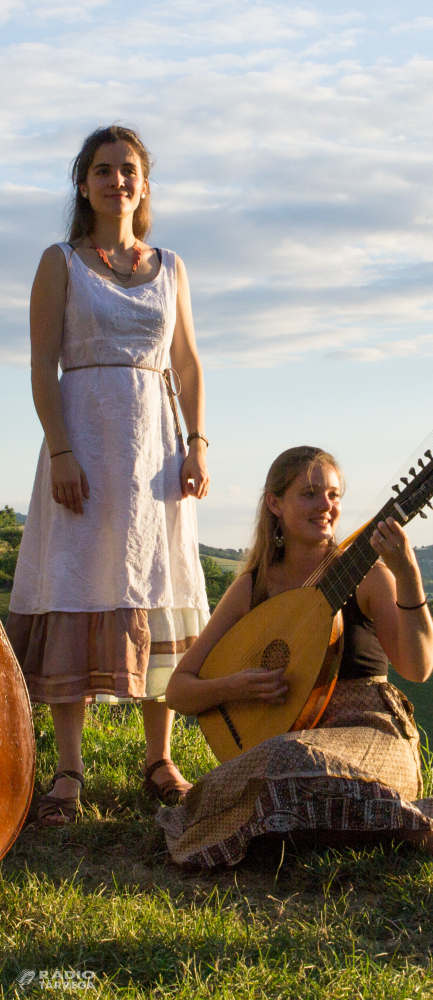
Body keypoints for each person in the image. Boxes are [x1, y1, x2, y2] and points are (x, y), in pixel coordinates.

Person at [157, 446, 433, 868]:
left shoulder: (368, 577)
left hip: (373, 735)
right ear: (275, 504)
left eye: (334, 495)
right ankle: (397, 821)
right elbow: (179, 691)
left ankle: (429, 833)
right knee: (270, 769)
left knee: (283, 768)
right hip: (283, 743)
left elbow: (418, 667)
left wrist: (408, 575)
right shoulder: (253, 586)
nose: (326, 506)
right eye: (310, 494)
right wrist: (236, 685)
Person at [6, 125, 210, 826]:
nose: (116, 181)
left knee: (157, 583)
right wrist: (60, 450)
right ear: (83, 184)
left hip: (155, 455)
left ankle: (159, 759)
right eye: (102, 170)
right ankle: (67, 771)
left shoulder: (172, 266)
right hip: (85, 449)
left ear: (143, 185)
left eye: (128, 170)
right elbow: (41, 366)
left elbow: (184, 363)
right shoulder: (59, 262)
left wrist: (197, 443)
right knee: (75, 580)